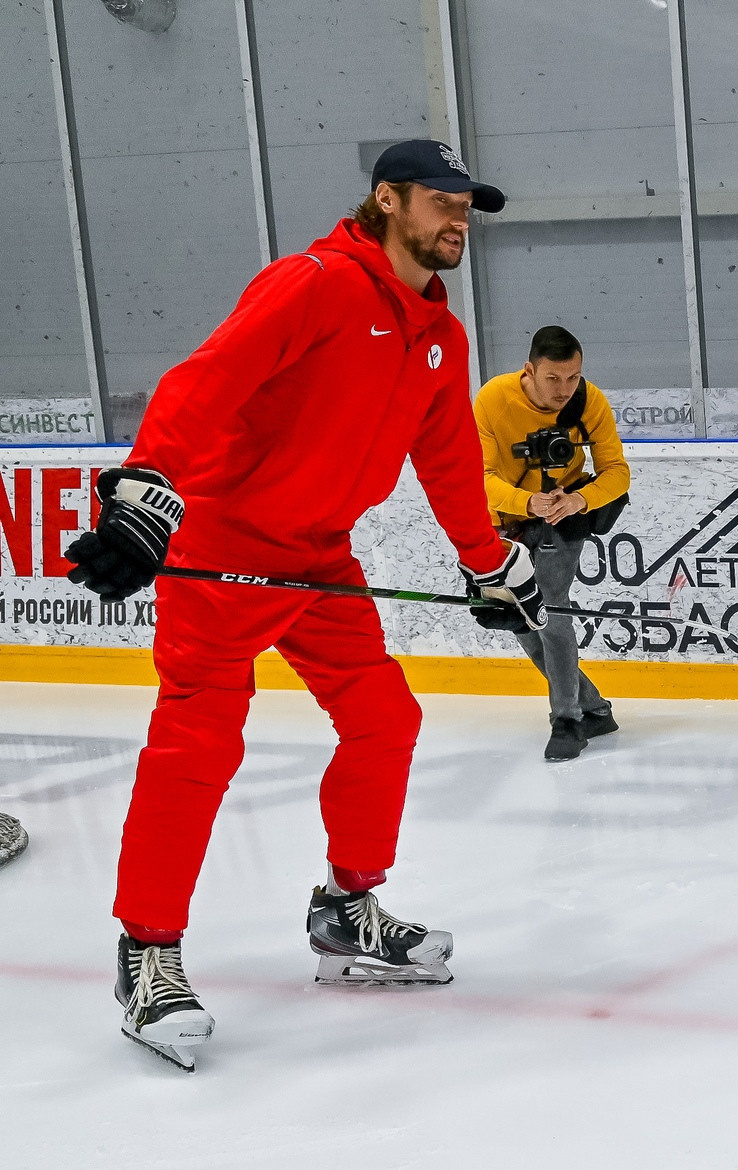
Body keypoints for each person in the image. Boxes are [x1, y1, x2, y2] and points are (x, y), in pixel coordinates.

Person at [61, 139, 540, 1071]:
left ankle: (347, 907)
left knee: (383, 718)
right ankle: (148, 954)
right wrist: (145, 489)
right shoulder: (313, 283)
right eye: (441, 201)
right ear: (387, 199)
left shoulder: (439, 334)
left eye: (466, 205)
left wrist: (490, 564)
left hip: (321, 557)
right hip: (227, 548)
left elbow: (444, 463)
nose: (458, 218)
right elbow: (206, 383)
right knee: (199, 742)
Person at [478, 324, 629, 761]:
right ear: (529, 369)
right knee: (522, 619)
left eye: (573, 377)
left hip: (564, 518)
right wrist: (528, 503)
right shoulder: (492, 399)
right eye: (553, 378)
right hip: (508, 520)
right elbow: (481, 478)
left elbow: (617, 471)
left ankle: (567, 721)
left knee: (552, 610)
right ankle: (595, 708)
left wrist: (580, 498)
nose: (565, 389)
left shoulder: (590, 401)